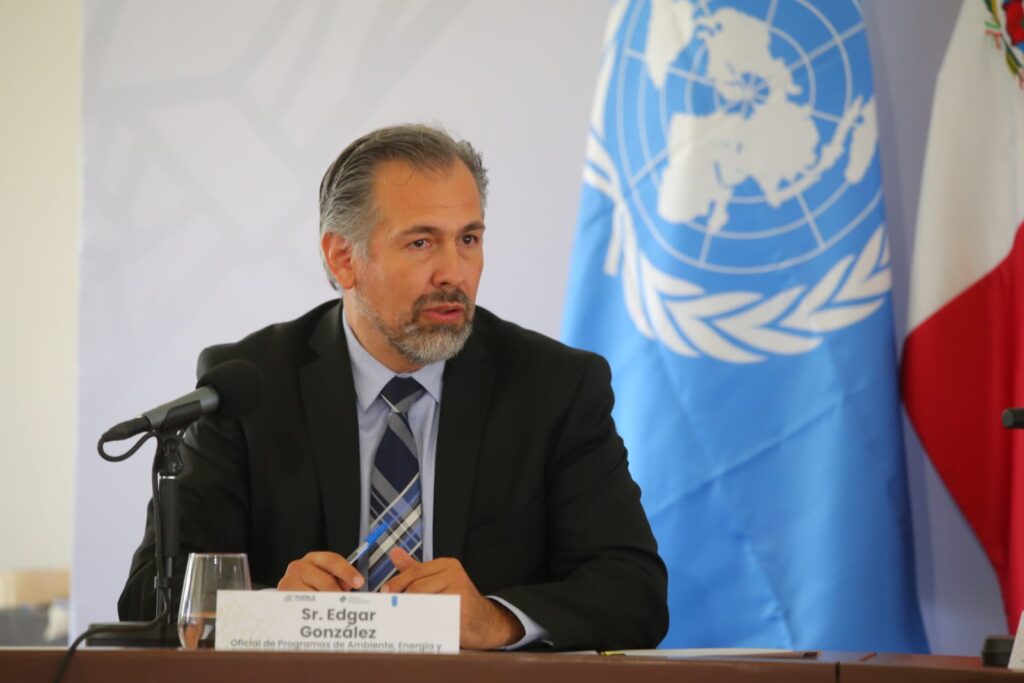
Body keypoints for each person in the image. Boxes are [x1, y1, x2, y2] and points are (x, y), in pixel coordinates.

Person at [119, 124, 668, 650]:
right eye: (422, 243)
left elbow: (635, 591)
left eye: (469, 239)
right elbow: (150, 597)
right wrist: (271, 610)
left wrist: (494, 619)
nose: (454, 272)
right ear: (343, 258)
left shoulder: (553, 387)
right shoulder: (249, 386)